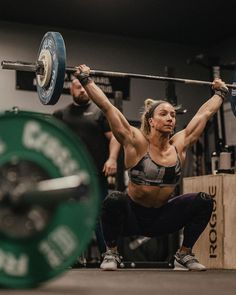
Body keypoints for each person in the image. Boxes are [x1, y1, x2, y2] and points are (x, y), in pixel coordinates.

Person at [74, 64, 228, 271]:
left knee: (204, 201)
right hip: (131, 218)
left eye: (173, 115)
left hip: (163, 217)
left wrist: (220, 92)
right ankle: (111, 253)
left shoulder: (179, 145)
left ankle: (183, 255)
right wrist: (86, 80)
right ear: (151, 121)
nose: (170, 118)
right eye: (164, 114)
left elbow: (204, 114)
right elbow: (108, 107)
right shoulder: (136, 143)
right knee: (113, 199)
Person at [53, 78, 120, 254]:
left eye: (84, 87)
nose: (82, 90)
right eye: (78, 87)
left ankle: (107, 255)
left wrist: (112, 159)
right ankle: (70, 256)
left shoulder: (100, 112)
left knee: (99, 214)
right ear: (71, 90)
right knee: (70, 214)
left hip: (96, 173)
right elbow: (54, 141)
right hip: (69, 175)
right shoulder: (61, 114)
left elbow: (114, 137)